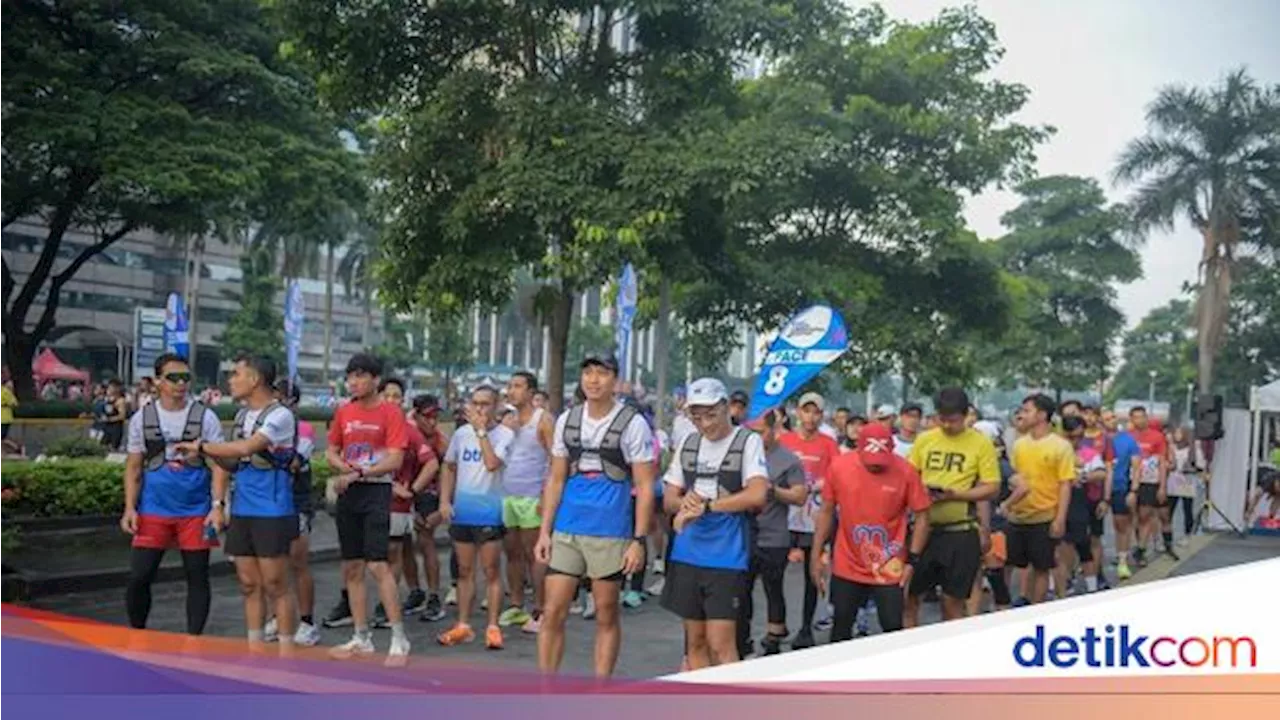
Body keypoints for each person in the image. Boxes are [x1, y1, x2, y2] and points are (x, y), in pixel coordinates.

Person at [535, 353, 654, 677]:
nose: (594, 379)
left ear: (614, 379)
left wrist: (638, 541)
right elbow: (556, 478)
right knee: (553, 610)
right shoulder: (566, 420)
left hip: (610, 530)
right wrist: (545, 531)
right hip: (568, 528)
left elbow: (644, 486)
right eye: (588, 372)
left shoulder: (632, 423)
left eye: (602, 373)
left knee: (605, 613)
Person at [173, 355, 297, 656]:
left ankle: (287, 653)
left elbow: (246, 448)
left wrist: (202, 447)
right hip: (243, 509)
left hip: (273, 510)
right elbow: (231, 461)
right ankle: (255, 649)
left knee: (275, 584)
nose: (230, 380)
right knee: (248, 584)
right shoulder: (241, 417)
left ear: (255, 379)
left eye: (236, 374)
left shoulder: (279, 415)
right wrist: (205, 459)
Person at [662, 377, 769, 668]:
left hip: (727, 556)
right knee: (694, 641)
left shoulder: (747, 441)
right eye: (696, 416)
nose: (705, 423)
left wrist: (709, 507)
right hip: (688, 553)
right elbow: (669, 497)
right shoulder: (689, 442)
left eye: (711, 415)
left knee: (721, 643)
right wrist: (683, 504)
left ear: (727, 408)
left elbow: (758, 493)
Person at [120, 354, 225, 636]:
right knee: (139, 577)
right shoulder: (142, 418)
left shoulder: (206, 417)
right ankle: (137, 633)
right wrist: (130, 507)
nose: (180, 384)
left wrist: (217, 506)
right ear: (157, 381)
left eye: (185, 378)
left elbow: (218, 466)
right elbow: (133, 466)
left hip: (197, 512)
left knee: (198, 575)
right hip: (153, 510)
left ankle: (194, 639)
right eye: (173, 378)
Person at [323, 354, 411, 666]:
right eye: (351, 377)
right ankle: (361, 637)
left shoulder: (391, 413)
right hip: (349, 493)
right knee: (352, 567)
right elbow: (331, 450)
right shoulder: (344, 411)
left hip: (376, 491)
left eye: (361, 376)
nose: (354, 382)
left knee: (378, 565)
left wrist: (359, 473)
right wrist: (342, 468)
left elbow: (395, 459)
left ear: (376, 379)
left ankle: (399, 638)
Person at [814, 423, 930, 641]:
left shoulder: (906, 471)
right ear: (858, 449)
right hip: (847, 561)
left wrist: (912, 561)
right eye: (871, 463)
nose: (876, 468)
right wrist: (816, 555)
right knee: (841, 626)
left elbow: (923, 515)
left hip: (889, 564)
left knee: (892, 626)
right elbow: (826, 511)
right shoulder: (839, 467)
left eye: (880, 464)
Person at [903, 387, 999, 625]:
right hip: (923, 530)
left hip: (960, 531)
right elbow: (909, 476)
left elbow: (992, 486)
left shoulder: (980, 443)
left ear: (965, 415)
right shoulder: (925, 439)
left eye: (953, 420)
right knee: (910, 597)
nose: (946, 425)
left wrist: (956, 494)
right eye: (941, 419)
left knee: (952, 602)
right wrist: (920, 492)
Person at [437, 385, 514, 650]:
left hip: (489, 512)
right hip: (464, 511)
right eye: (476, 403)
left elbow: (492, 463)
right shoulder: (460, 434)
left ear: (496, 407)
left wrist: (481, 432)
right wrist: (445, 500)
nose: (480, 409)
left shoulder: (504, 434)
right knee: (464, 570)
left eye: (486, 404)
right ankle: (463, 624)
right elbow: (449, 467)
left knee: (491, 570)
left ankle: (493, 625)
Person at [737, 410, 808, 657]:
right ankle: (740, 637)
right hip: (743, 534)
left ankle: (775, 634)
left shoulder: (788, 460)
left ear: (774, 430)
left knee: (773, 588)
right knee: (741, 589)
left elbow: (800, 496)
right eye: (751, 433)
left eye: (760, 433)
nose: (755, 438)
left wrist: (773, 491)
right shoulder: (740, 456)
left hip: (774, 535)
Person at [777, 391, 841, 649]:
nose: (810, 417)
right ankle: (777, 624)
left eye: (816, 412)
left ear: (821, 415)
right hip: (783, 515)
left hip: (813, 517)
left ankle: (806, 627)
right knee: (773, 574)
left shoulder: (828, 444)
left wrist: (820, 485)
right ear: (798, 413)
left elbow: (836, 475)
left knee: (812, 573)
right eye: (806, 411)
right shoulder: (785, 440)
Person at [371, 377, 437, 627]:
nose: (391, 400)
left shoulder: (409, 431)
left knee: (393, 552)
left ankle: (387, 605)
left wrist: (412, 489)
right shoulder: (370, 426)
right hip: (370, 500)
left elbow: (431, 463)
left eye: (396, 396)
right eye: (386, 395)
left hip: (397, 505)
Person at [262, 380, 321, 646]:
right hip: (268, 499)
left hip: (295, 500)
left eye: (283, 398)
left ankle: (307, 622)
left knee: (297, 562)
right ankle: (277, 616)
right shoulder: (264, 425)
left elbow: (295, 463)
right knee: (272, 564)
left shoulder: (304, 430)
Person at [1003, 394, 1074, 606]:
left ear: (1042, 415)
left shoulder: (1061, 446)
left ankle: (1036, 607)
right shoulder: (1019, 445)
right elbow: (1014, 477)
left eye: (1027, 410)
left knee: (1042, 567)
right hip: (1017, 517)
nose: (1022, 414)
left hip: (1044, 516)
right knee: (1012, 563)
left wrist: (1060, 518)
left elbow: (1065, 484)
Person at [499, 371, 553, 633]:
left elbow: (556, 460)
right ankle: (516, 604)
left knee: (535, 555)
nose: (512, 391)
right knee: (512, 552)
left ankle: (541, 609)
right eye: (510, 386)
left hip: (532, 496)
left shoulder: (543, 420)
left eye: (518, 386)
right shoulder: (507, 422)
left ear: (531, 392)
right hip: (508, 494)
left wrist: (546, 495)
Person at [409, 394, 449, 622]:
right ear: (416, 415)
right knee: (403, 544)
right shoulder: (407, 432)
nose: (432, 423)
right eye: (427, 417)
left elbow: (448, 473)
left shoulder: (440, 442)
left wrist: (443, 505)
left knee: (426, 541)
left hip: (428, 494)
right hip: (406, 491)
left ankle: (434, 595)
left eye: (435, 417)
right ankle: (415, 591)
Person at [1058, 415, 1107, 596]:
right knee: (1062, 549)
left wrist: (1084, 476)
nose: (1075, 441)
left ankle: (1091, 586)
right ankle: (1064, 586)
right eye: (1071, 437)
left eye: (1080, 436)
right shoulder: (1056, 451)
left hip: (1082, 503)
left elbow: (1102, 473)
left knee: (1083, 545)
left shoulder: (1090, 453)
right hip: (1056, 504)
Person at [1130, 407, 1171, 564]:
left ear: (1146, 418)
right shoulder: (1128, 437)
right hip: (1131, 480)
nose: (1139, 420)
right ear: (1131, 419)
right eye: (1136, 417)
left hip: (1149, 482)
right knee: (1132, 516)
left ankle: (1141, 549)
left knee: (1145, 515)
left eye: (1142, 417)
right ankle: (1135, 546)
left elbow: (1161, 463)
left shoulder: (1157, 437)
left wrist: (1162, 486)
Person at [1167, 426, 1202, 546]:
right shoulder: (1171, 447)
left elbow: (1200, 464)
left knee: (1187, 508)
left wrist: (1192, 468)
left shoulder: (1193, 449)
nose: (1177, 435)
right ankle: (1167, 537)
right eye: (1175, 432)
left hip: (1187, 480)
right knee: (1169, 509)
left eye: (1179, 433)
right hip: (1172, 480)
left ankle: (1187, 535)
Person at [102, 380, 128, 451]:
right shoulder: (107, 400)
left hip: (116, 428)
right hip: (107, 427)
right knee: (103, 446)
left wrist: (110, 419)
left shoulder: (120, 401)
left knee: (113, 448)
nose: (109, 390)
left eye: (111, 388)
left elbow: (122, 416)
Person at [0, 379, 18, 456]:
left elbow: (14, 403)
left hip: (4, 419)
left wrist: (4, 404)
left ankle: (16, 448)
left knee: (2, 439)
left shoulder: (5, 391)